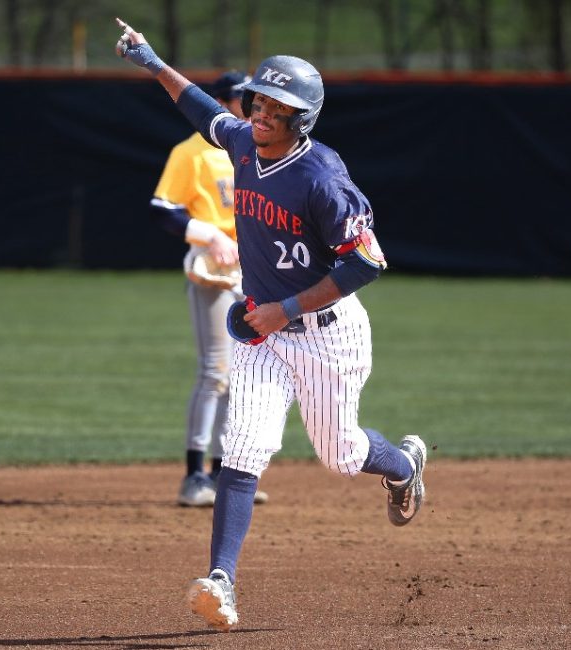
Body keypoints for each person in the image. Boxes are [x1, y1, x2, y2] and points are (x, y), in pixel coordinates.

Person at [115, 18, 431, 632]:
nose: (260, 113)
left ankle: (403, 466)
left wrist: (285, 309)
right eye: (259, 101)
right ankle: (221, 581)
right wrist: (152, 62)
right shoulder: (243, 142)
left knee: (341, 455)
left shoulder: (322, 179)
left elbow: (367, 261)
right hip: (263, 336)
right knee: (242, 448)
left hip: (328, 334)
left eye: (276, 108)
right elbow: (203, 110)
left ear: (301, 120)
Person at [149, 70, 269, 508]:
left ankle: (223, 473)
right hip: (214, 270)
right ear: (220, 103)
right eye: (246, 100)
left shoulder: (258, 151)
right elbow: (162, 208)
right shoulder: (192, 152)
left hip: (255, 272)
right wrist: (209, 234)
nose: (254, 109)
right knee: (216, 371)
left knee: (243, 377)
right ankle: (194, 476)